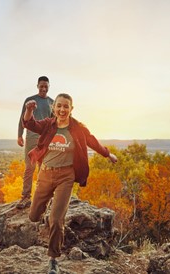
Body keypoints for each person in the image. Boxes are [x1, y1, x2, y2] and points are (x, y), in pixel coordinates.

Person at [22, 93, 117, 274]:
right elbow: (29, 124)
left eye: (66, 106)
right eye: (59, 106)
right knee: (34, 216)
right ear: (54, 108)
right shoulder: (48, 124)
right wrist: (28, 110)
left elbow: (92, 141)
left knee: (56, 220)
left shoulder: (77, 128)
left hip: (66, 176)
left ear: (71, 109)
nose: (62, 109)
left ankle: (53, 259)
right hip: (45, 174)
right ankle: (48, 204)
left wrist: (107, 154)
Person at [16, 76, 54, 209]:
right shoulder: (30, 100)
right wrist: (20, 135)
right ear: (37, 86)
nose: (43, 88)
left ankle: (41, 198)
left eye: (46, 86)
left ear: (49, 86)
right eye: (41, 86)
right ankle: (25, 197)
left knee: (43, 168)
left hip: (45, 139)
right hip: (31, 138)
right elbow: (23, 119)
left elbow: (54, 123)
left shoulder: (52, 102)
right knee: (29, 167)